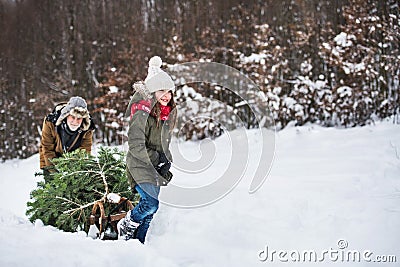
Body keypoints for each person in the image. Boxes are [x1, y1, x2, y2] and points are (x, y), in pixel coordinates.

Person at [118, 56, 176, 243]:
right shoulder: (142, 112)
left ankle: (137, 244)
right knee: (150, 204)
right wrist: (156, 157)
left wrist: (166, 159)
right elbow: (135, 144)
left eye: (169, 91)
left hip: (154, 168)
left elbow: (161, 144)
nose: (166, 95)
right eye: (161, 91)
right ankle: (126, 224)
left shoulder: (164, 115)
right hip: (139, 164)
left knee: (150, 213)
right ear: (152, 91)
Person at [39, 96, 95, 178]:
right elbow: (47, 148)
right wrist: (56, 173)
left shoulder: (87, 129)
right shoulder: (50, 122)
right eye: (73, 117)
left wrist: (79, 172)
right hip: (50, 158)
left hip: (72, 162)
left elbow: (85, 152)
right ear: (66, 115)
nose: (75, 122)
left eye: (79, 118)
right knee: (54, 187)